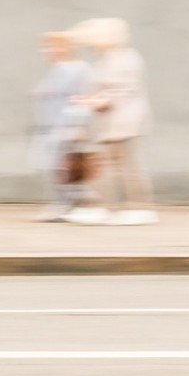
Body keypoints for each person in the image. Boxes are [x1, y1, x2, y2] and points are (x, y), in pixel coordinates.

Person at [65, 17, 157, 225]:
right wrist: (89, 99)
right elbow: (105, 89)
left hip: (124, 121)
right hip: (110, 121)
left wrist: (99, 101)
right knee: (107, 164)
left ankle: (140, 207)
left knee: (126, 165)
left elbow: (125, 90)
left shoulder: (127, 58)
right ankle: (100, 206)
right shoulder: (106, 58)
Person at [30, 30, 92, 221]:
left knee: (64, 167)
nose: (45, 51)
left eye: (50, 46)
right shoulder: (58, 69)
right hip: (51, 127)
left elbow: (80, 98)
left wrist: (76, 125)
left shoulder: (77, 69)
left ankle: (67, 205)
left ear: (64, 48)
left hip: (64, 126)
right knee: (57, 167)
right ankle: (67, 203)